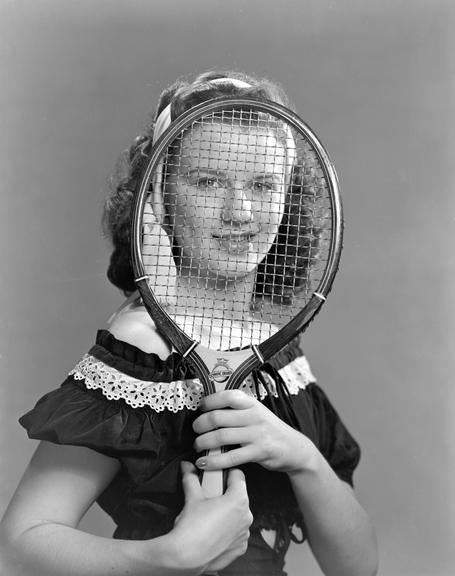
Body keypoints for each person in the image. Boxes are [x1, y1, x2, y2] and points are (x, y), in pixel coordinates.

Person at [0, 71, 378, 576]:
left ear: (289, 198)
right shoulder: (141, 349)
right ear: (158, 199)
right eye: (208, 181)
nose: (239, 211)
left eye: (263, 184)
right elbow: (18, 548)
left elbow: (359, 567)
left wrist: (302, 456)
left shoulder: (272, 342)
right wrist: (165, 559)